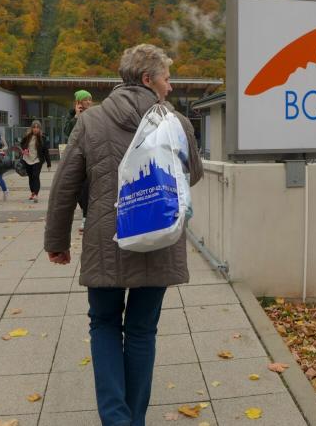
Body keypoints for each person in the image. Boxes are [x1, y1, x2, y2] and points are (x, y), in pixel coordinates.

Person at [44, 44, 203, 426]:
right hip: (159, 238)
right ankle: (135, 419)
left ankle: (116, 419)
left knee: (103, 324)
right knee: (142, 330)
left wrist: (57, 242)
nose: (170, 86)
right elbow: (194, 174)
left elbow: (65, 186)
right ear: (148, 79)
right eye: (166, 79)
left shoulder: (91, 121)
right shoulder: (176, 122)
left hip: (106, 238)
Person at [64, 89, 93, 232]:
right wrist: (77, 116)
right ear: (79, 102)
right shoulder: (72, 116)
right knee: (79, 189)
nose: (89, 102)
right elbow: (68, 133)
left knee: (87, 187)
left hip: (91, 155)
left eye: (90, 99)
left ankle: (86, 217)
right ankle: (86, 213)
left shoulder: (94, 115)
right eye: (86, 99)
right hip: (76, 157)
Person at [20, 120, 51, 203]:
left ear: (40, 129)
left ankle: (36, 194)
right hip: (27, 159)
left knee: (36, 176)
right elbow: (22, 144)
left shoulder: (43, 138)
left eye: (37, 127)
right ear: (32, 128)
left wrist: (48, 163)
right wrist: (24, 149)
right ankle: (33, 192)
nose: (35, 129)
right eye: (34, 127)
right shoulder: (27, 136)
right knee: (30, 177)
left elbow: (46, 151)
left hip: (37, 160)